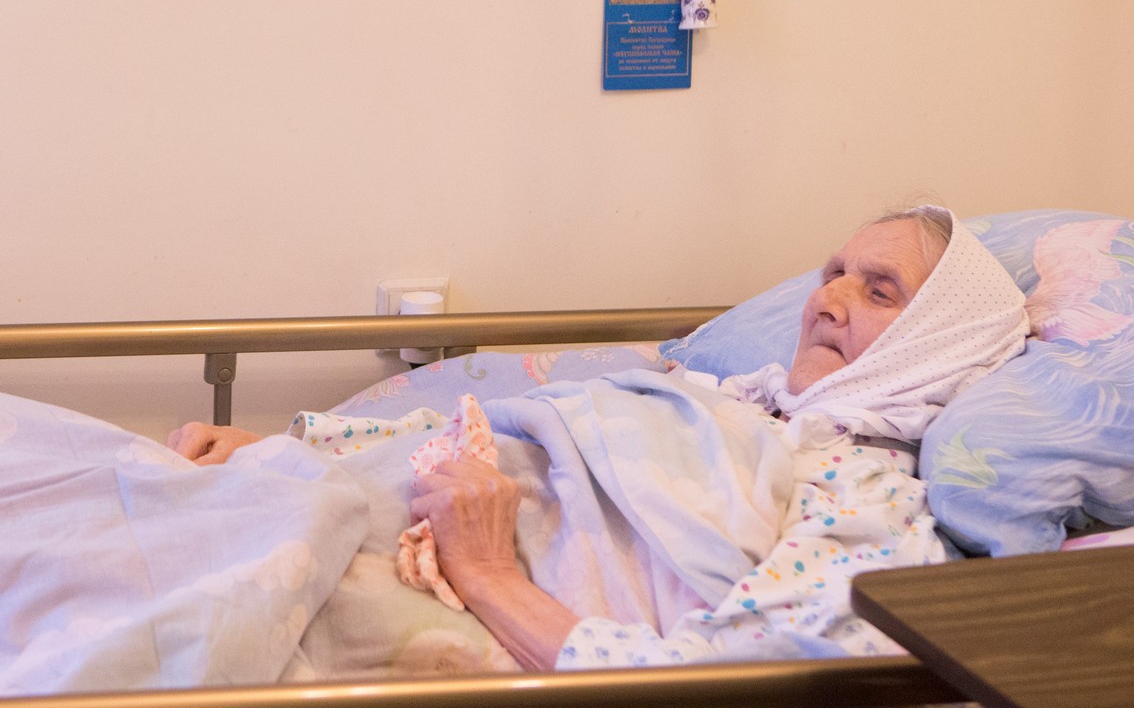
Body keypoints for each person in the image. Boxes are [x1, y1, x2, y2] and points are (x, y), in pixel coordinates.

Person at [170, 206, 1029, 672]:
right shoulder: (724, 398)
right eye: (833, 273)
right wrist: (283, 447)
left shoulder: (870, 504)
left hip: (420, 585)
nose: (827, 300)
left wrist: (491, 575)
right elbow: (495, 429)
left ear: (942, 342)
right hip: (340, 498)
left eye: (879, 291)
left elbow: (732, 681)